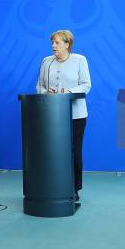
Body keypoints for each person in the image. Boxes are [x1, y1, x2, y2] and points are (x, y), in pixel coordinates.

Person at [36, 29, 91, 201]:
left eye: (57, 42)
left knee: (73, 150)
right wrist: (46, 91)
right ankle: (53, 186)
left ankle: (74, 188)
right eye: (52, 42)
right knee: (53, 151)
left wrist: (69, 91)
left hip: (76, 115)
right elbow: (38, 86)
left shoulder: (79, 60)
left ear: (67, 44)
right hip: (52, 115)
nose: (53, 46)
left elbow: (86, 85)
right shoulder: (46, 62)